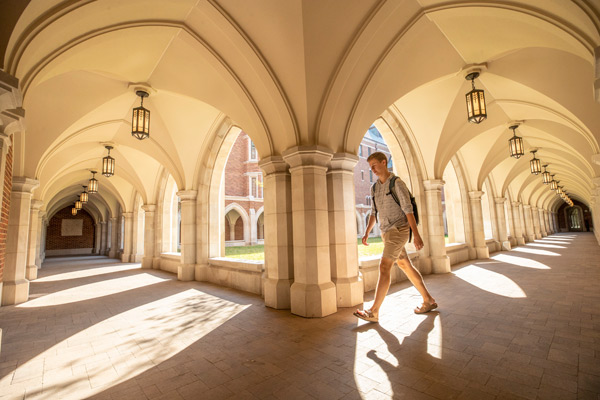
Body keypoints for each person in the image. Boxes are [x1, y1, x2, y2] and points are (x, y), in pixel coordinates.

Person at [354, 152, 437, 323]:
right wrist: (367, 232)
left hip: (399, 229)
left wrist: (417, 235)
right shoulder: (374, 188)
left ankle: (373, 311)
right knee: (405, 265)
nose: (373, 170)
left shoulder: (397, 183)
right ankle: (428, 300)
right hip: (386, 232)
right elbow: (374, 213)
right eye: (371, 167)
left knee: (384, 267)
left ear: (384, 162)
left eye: (375, 165)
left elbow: (408, 209)